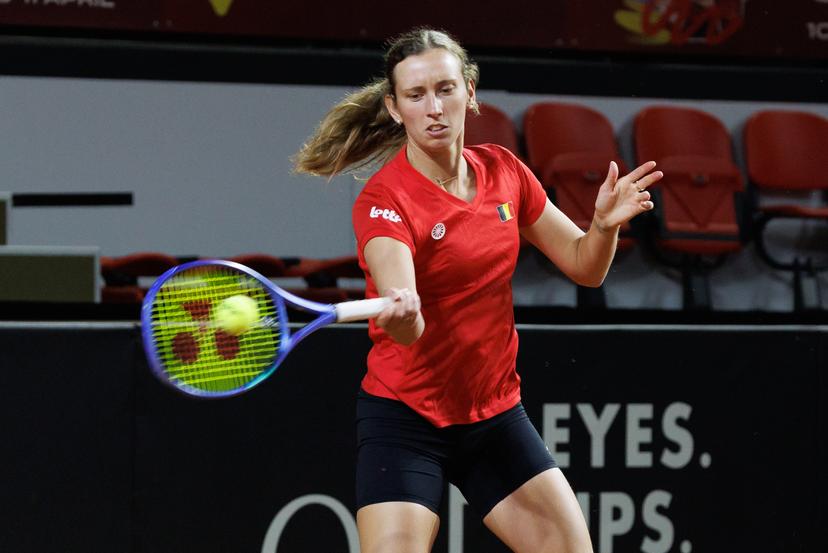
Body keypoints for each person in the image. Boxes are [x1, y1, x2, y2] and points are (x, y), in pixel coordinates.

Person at [294, 27, 662, 553]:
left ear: (470, 90)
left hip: (494, 416)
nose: (434, 108)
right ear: (395, 108)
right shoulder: (383, 202)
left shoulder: (505, 171)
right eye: (416, 96)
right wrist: (404, 314)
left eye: (445, 89)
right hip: (406, 418)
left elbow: (585, 267)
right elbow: (406, 319)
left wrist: (603, 226)